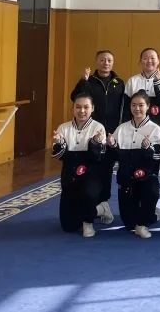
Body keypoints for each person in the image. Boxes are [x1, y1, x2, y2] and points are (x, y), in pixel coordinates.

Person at [68, 49, 124, 224]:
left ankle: (104, 204)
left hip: (111, 134)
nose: (106, 63)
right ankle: (90, 204)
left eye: (109, 60)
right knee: (92, 170)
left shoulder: (119, 83)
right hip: (91, 133)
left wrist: (118, 132)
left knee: (106, 169)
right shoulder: (89, 81)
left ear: (113, 63)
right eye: (102, 60)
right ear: (96, 62)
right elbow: (75, 98)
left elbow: (124, 107)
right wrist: (82, 81)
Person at [108, 92, 160, 239]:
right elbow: (114, 156)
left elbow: (157, 157)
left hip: (146, 178)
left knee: (151, 192)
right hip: (126, 178)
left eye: (141, 105)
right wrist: (112, 145)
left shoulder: (155, 129)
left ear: (148, 106)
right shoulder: (122, 128)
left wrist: (148, 148)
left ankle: (145, 221)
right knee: (129, 224)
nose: (137, 108)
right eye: (134, 105)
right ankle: (152, 214)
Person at [52, 94, 107, 237]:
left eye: (86, 107)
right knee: (69, 226)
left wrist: (95, 142)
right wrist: (59, 143)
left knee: (87, 193)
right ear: (73, 109)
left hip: (92, 173)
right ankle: (99, 210)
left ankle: (88, 222)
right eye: (78, 107)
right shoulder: (63, 128)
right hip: (70, 175)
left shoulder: (98, 127)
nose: (82, 111)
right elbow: (59, 156)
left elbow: (98, 157)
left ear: (92, 109)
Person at [124, 48, 160, 130]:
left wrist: (157, 82)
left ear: (158, 61)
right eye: (145, 58)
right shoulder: (132, 80)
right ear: (140, 61)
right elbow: (126, 106)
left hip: (157, 124)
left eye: (152, 58)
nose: (149, 61)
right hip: (134, 126)